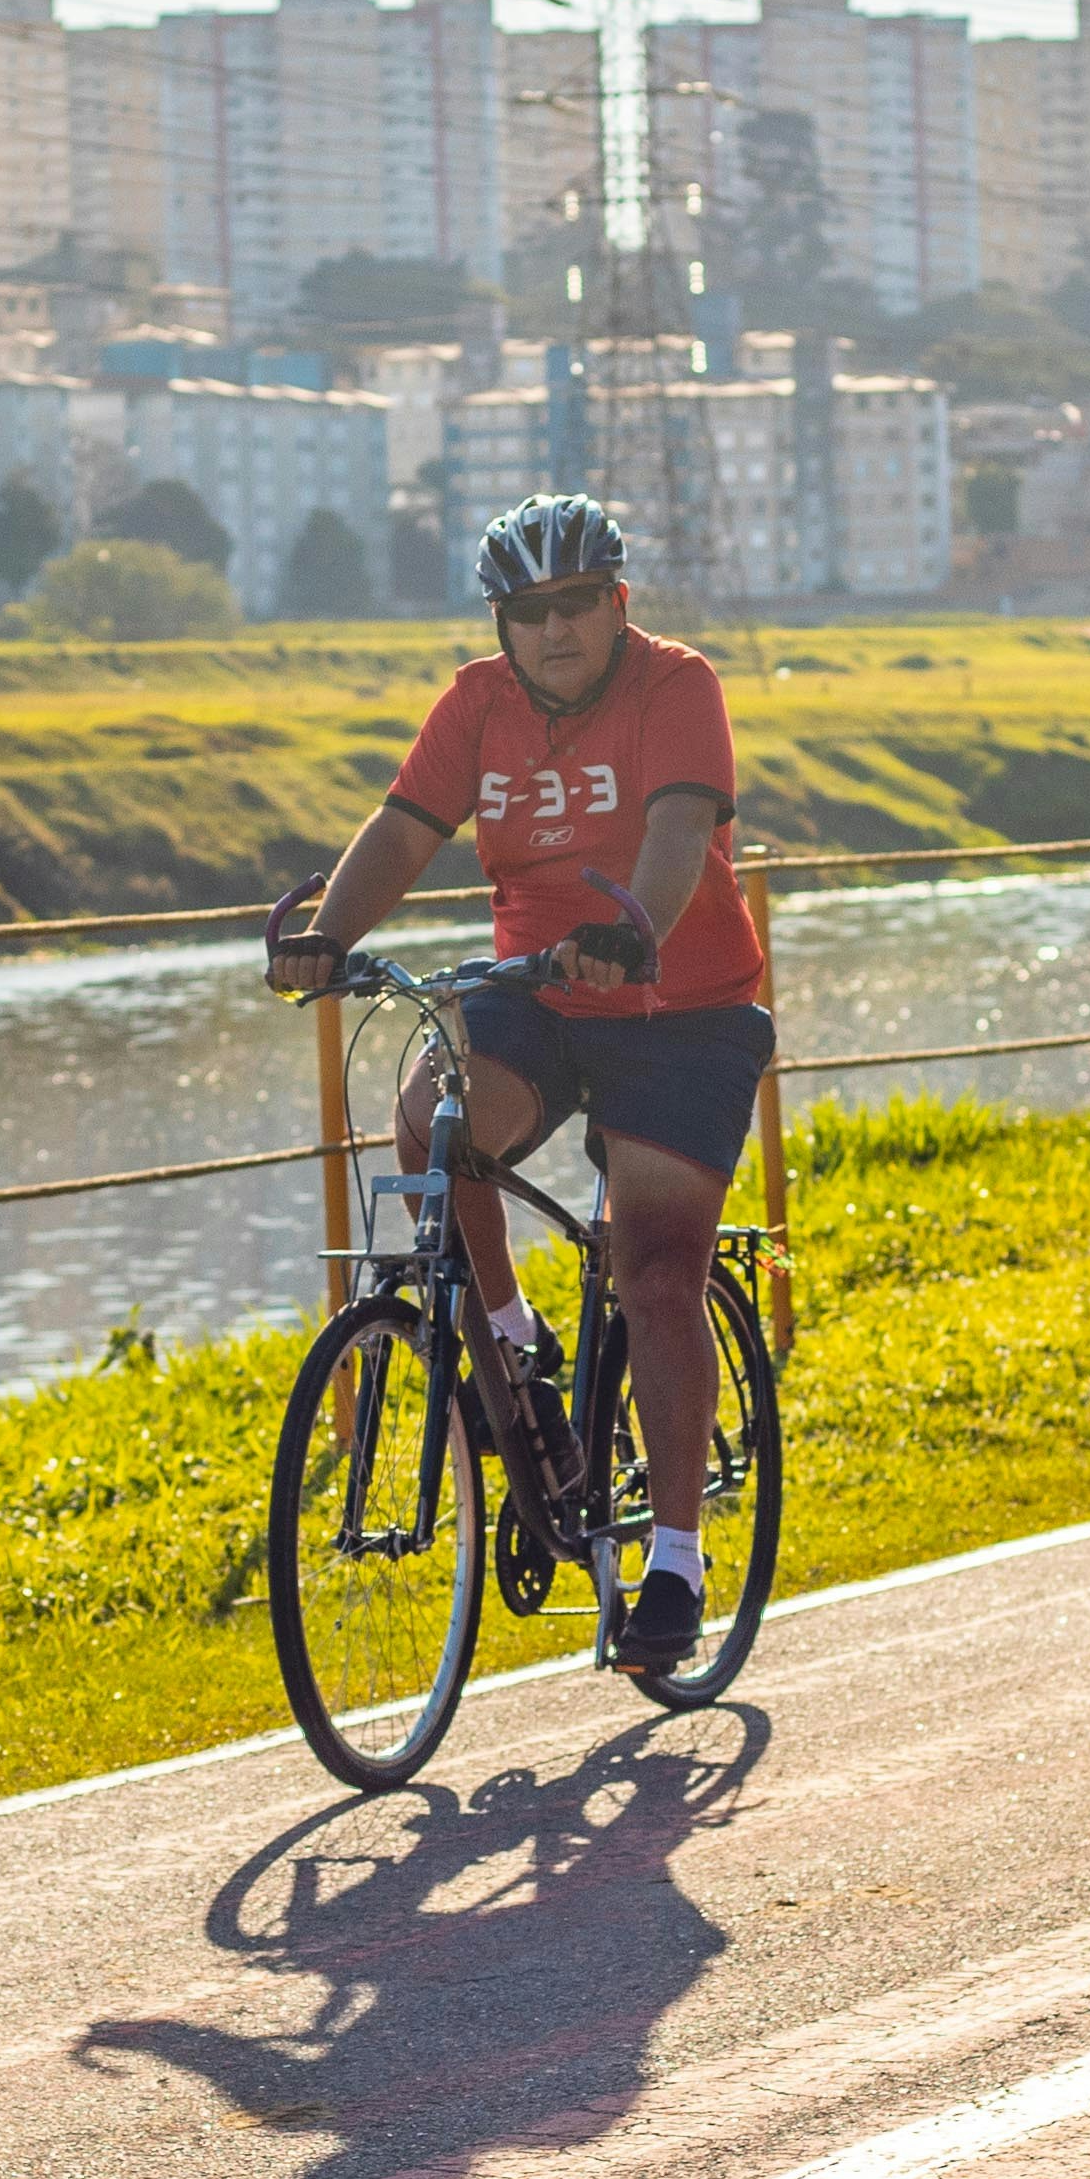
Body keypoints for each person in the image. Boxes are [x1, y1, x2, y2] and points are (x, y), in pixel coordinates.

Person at [263, 493, 775, 1675]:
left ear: (616, 604)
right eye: (527, 611)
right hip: (534, 990)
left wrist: (633, 925)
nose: (553, 630)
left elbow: (680, 829)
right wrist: (326, 938)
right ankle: (510, 1346)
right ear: (501, 623)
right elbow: (402, 832)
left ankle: (677, 1565)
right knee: (428, 1130)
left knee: (652, 1271)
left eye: (575, 604)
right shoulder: (474, 706)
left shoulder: (674, 687)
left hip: (678, 1005)